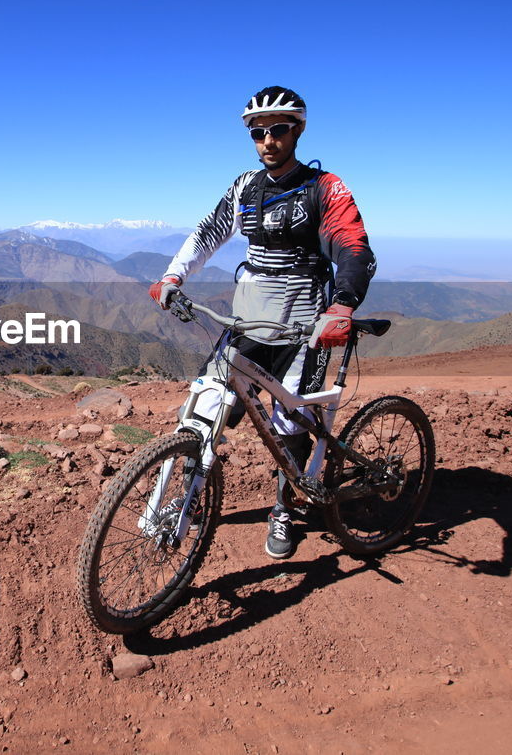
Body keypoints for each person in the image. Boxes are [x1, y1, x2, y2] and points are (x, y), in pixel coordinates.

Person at [148, 85, 376, 559]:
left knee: (291, 420)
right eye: (258, 132)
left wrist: (342, 307)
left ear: (299, 130)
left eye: (278, 129)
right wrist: (174, 273)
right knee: (211, 401)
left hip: (304, 321)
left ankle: (285, 511)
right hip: (248, 315)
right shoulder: (245, 187)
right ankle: (185, 497)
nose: (268, 139)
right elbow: (209, 232)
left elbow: (354, 248)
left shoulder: (324, 188)